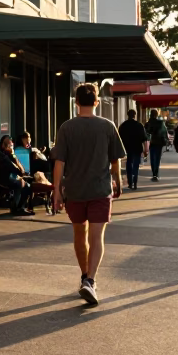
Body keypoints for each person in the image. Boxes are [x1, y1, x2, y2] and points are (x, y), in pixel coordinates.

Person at [51, 83, 126, 306]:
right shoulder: (107, 126)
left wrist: (56, 190)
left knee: (79, 234)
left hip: (74, 190)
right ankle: (91, 280)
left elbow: (59, 162)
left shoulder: (66, 127)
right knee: (96, 237)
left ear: (76, 103)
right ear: (95, 102)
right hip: (100, 190)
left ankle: (85, 276)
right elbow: (115, 160)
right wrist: (118, 181)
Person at [0, 135, 33, 216]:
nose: (11, 147)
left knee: (27, 186)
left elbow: (19, 168)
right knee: (20, 183)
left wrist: (13, 155)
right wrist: (20, 173)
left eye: (11, 145)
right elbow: (12, 167)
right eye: (9, 145)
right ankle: (16, 207)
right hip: (1, 178)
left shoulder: (9, 153)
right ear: (4, 145)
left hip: (10, 176)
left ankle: (20, 207)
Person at [117, 109, 149, 190]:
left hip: (127, 148)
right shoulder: (139, 125)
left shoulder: (123, 125)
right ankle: (135, 181)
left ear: (128, 115)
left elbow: (118, 138)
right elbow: (144, 138)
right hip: (137, 147)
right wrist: (146, 150)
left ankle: (130, 182)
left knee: (129, 164)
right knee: (136, 165)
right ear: (135, 115)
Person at [145, 109, 169, 181]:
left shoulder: (147, 123)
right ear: (156, 115)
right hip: (159, 143)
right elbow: (164, 132)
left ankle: (154, 174)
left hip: (151, 143)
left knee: (152, 158)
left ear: (150, 115)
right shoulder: (160, 123)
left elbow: (145, 134)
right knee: (157, 158)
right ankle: (156, 174)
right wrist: (166, 140)